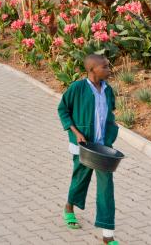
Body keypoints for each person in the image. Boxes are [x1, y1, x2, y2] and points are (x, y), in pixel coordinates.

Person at [57, 54, 119, 245]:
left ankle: (108, 236)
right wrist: (75, 132)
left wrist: (111, 131)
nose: (109, 69)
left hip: (103, 148)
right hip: (84, 146)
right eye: (105, 67)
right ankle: (69, 207)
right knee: (80, 179)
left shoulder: (108, 90)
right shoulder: (77, 88)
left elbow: (111, 111)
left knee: (106, 188)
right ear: (92, 69)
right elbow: (63, 109)